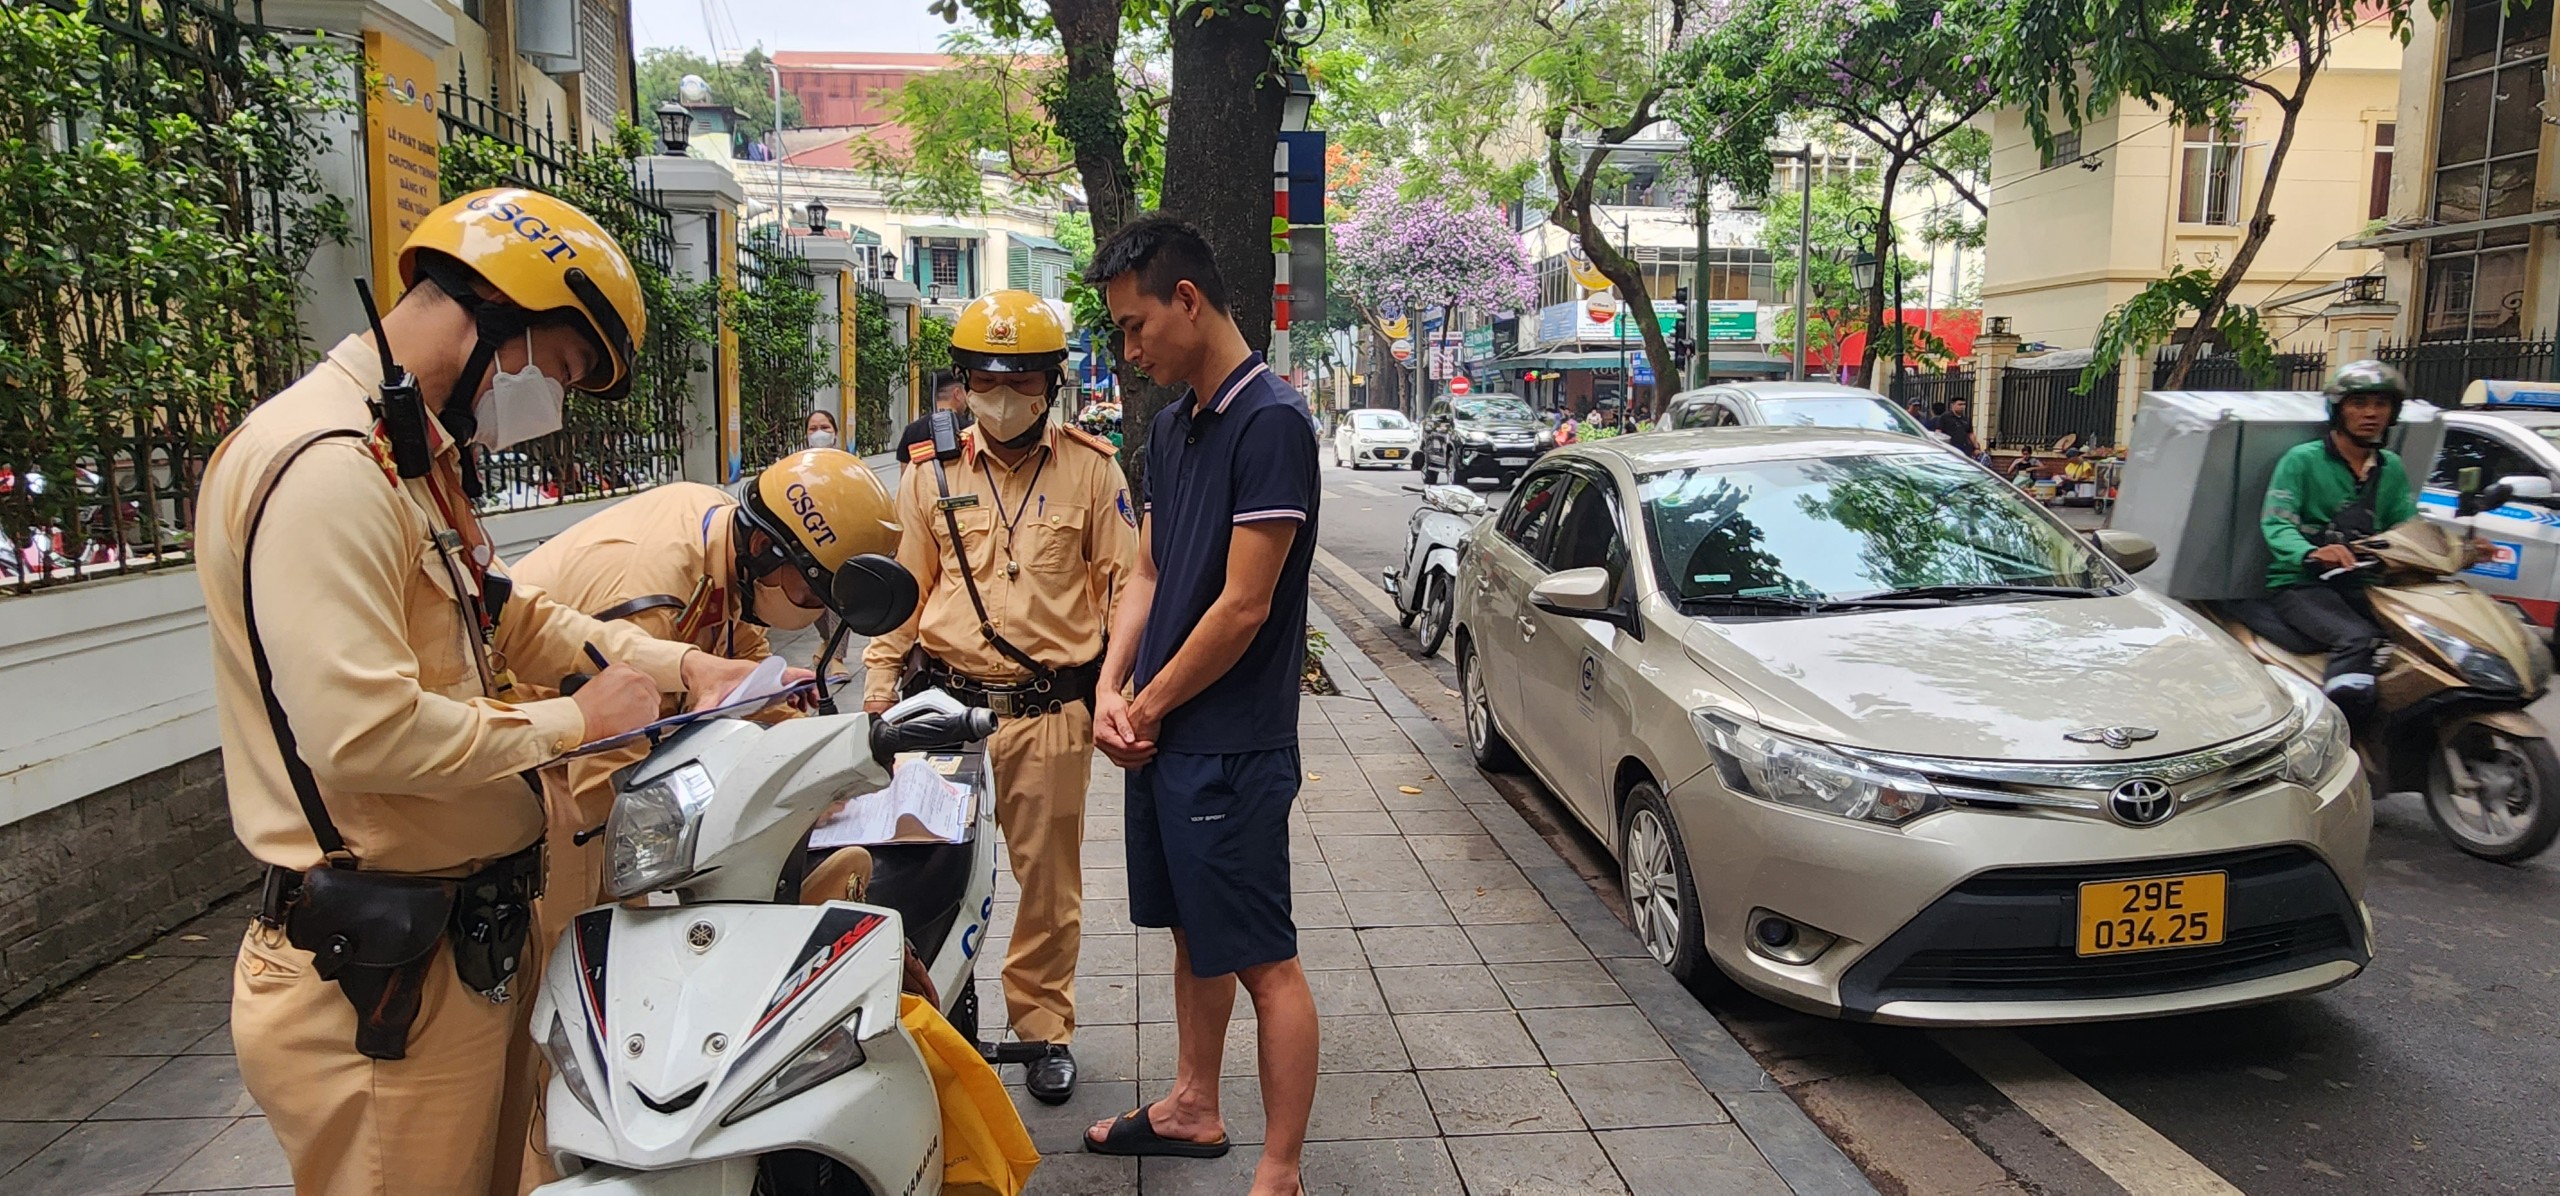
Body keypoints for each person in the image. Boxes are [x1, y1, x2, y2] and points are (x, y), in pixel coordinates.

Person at [194, 187, 785, 1196]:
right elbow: (359, 733)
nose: (547, 400)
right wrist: (572, 723)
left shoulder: (405, 458)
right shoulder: (328, 471)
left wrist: (687, 669)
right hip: (383, 980)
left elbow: (507, 616)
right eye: (557, 367)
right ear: (499, 319)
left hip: (456, 950)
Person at [493, 449, 900, 1192]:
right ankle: (552, 1164)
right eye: (811, 596)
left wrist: (795, 719)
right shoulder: (649, 585)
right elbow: (621, 767)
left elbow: (735, 654)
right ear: (764, 550)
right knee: (578, 988)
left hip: (587, 759)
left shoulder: (716, 536)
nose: (811, 615)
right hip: (557, 777)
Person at [1078, 216, 1319, 1196]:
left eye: (1136, 328)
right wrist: (1108, 681)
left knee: (1264, 956)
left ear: (1186, 299)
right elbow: (1149, 570)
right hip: (1170, 735)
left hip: (1230, 744)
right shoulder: (1170, 428)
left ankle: (1280, 1166)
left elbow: (1245, 603)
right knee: (1194, 930)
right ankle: (1191, 1101)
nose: (1130, 351)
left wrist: (1148, 705)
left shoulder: (1271, 423)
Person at [862, 289, 1138, 1104]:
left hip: (1047, 711)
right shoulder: (930, 475)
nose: (1004, 395)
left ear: (1052, 384)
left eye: (1022, 380)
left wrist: (1117, 690)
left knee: (1048, 886)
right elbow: (903, 597)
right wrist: (878, 698)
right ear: (962, 382)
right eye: (988, 378)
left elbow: (1126, 589)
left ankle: (1043, 1029)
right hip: (940, 717)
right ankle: (932, 1023)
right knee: (918, 875)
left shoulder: (1093, 468)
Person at [2262, 361, 2427, 718]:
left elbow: (2407, 524)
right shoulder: (2302, 461)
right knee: (2356, 637)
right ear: (2339, 410)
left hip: (2365, 582)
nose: (2371, 414)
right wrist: (2313, 552)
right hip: (2301, 584)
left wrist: (2458, 548)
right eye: (2359, 403)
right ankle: (2339, 729)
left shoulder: (2390, 467)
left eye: (2381, 404)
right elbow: (2277, 524)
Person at [895, 373, 972, 463]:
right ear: (957, 393)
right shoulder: (971, 430)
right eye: (965, 392)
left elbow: (906, 475)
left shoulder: (911, 431)